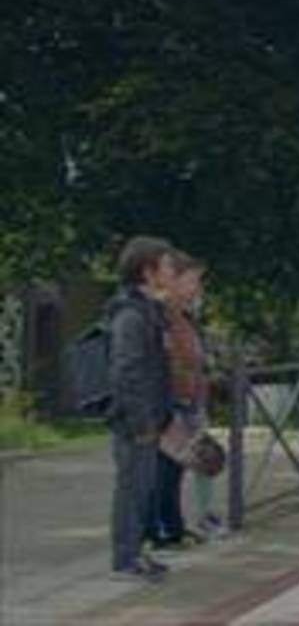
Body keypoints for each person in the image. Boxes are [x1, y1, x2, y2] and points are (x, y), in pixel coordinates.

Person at [106, 235, 178, 581]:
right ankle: (124, 560)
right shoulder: (131, 315)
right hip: (136, 421)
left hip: (151, 417)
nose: (172, 271)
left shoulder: (150, 310)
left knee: (143, 488)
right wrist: (141, 421)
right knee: (132, 489)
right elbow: (127, 371)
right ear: (148, 272)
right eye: (167, 266)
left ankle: (135, 552)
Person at [148, 251, 212, 548]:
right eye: (192, 280)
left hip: (187, 398)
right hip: (171, 398)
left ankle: (173, 525)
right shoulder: (163, 313)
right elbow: (168, 358)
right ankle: (163, 528)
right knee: (165, 466)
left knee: (176, 466)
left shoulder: (184, 313)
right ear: (172, 280)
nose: (197, 288)